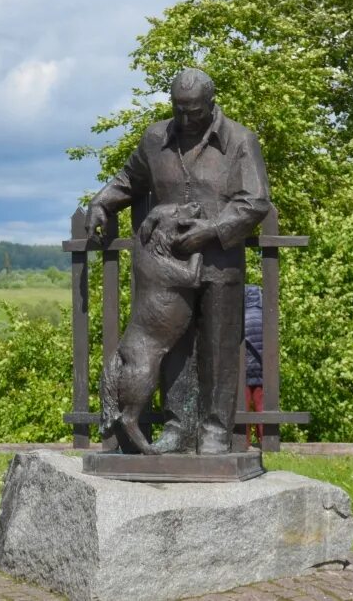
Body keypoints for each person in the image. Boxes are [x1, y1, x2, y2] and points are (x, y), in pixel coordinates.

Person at [85, 68, 270, 454]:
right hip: (168, 272)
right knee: (172, 348)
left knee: (218, 348)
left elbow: (254, 201)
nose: (186, 119)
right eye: (179, 110)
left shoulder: (239, 140)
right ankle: (177, 428)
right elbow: (128, 179)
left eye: (195, 112)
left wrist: (212, 230)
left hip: (220, 263)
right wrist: (101, 202)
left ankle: (215, 431)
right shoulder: (156, 139)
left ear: (212, 103)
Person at [243, 284, 264, 446]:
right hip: (262, 367)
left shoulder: (242, 316)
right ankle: (264, 441)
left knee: (244, 407)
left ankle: (245, 442)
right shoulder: (264, 316)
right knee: (261, 406)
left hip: (244, 367)